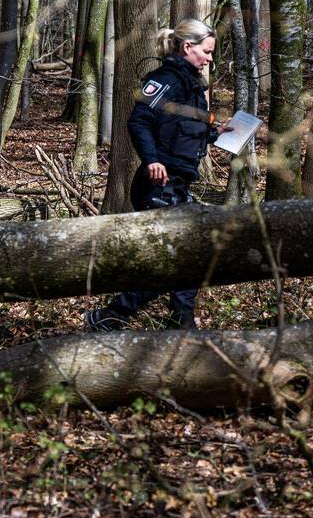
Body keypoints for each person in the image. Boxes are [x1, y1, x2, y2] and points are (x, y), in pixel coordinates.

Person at [85, 19, 226, 331]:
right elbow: (139, 120)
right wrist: (152, 160)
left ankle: (181, 325)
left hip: (179, 185)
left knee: (191, 256)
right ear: (188, 48)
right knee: (177, 261)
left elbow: (191, 130)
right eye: (206, 51)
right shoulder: (164, 80)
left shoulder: (193, 89)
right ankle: (111, 316)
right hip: (157, 185)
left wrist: (220, 132)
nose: (210, 59)